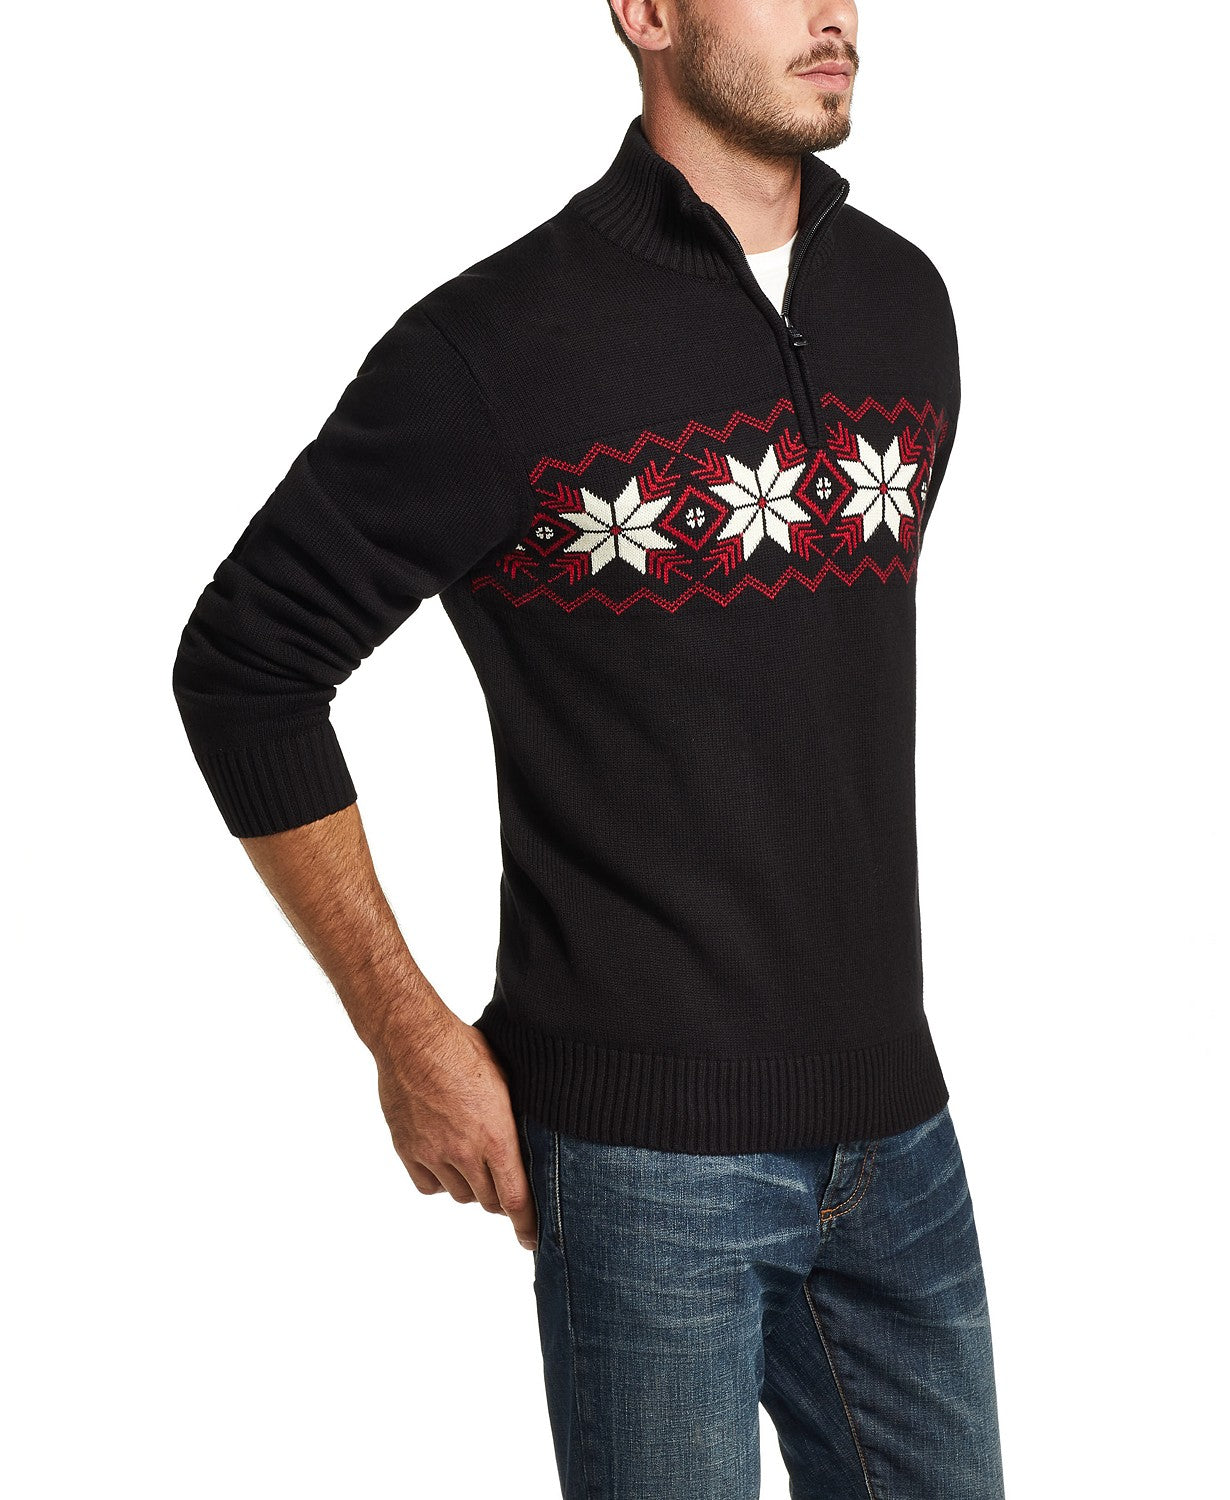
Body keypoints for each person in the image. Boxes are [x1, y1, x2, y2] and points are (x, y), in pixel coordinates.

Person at [172, 0, 1006, 1493]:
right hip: (642, 1163)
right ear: (648, 11)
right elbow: (246, 668)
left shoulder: (903, 304)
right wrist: (408, 1033)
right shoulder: (497, 348)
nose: (836, 13)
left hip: (901, 1137)